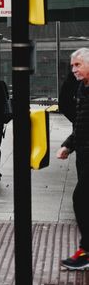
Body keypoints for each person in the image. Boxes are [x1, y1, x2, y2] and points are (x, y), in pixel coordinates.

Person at [58, 48, 89, 271]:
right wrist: (68, 145)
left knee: (80, 199)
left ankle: (86, 251)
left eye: (77, 65)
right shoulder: (82, 89)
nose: (73, 70)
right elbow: (80, 123)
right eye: (72, 66)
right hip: (84, 155)